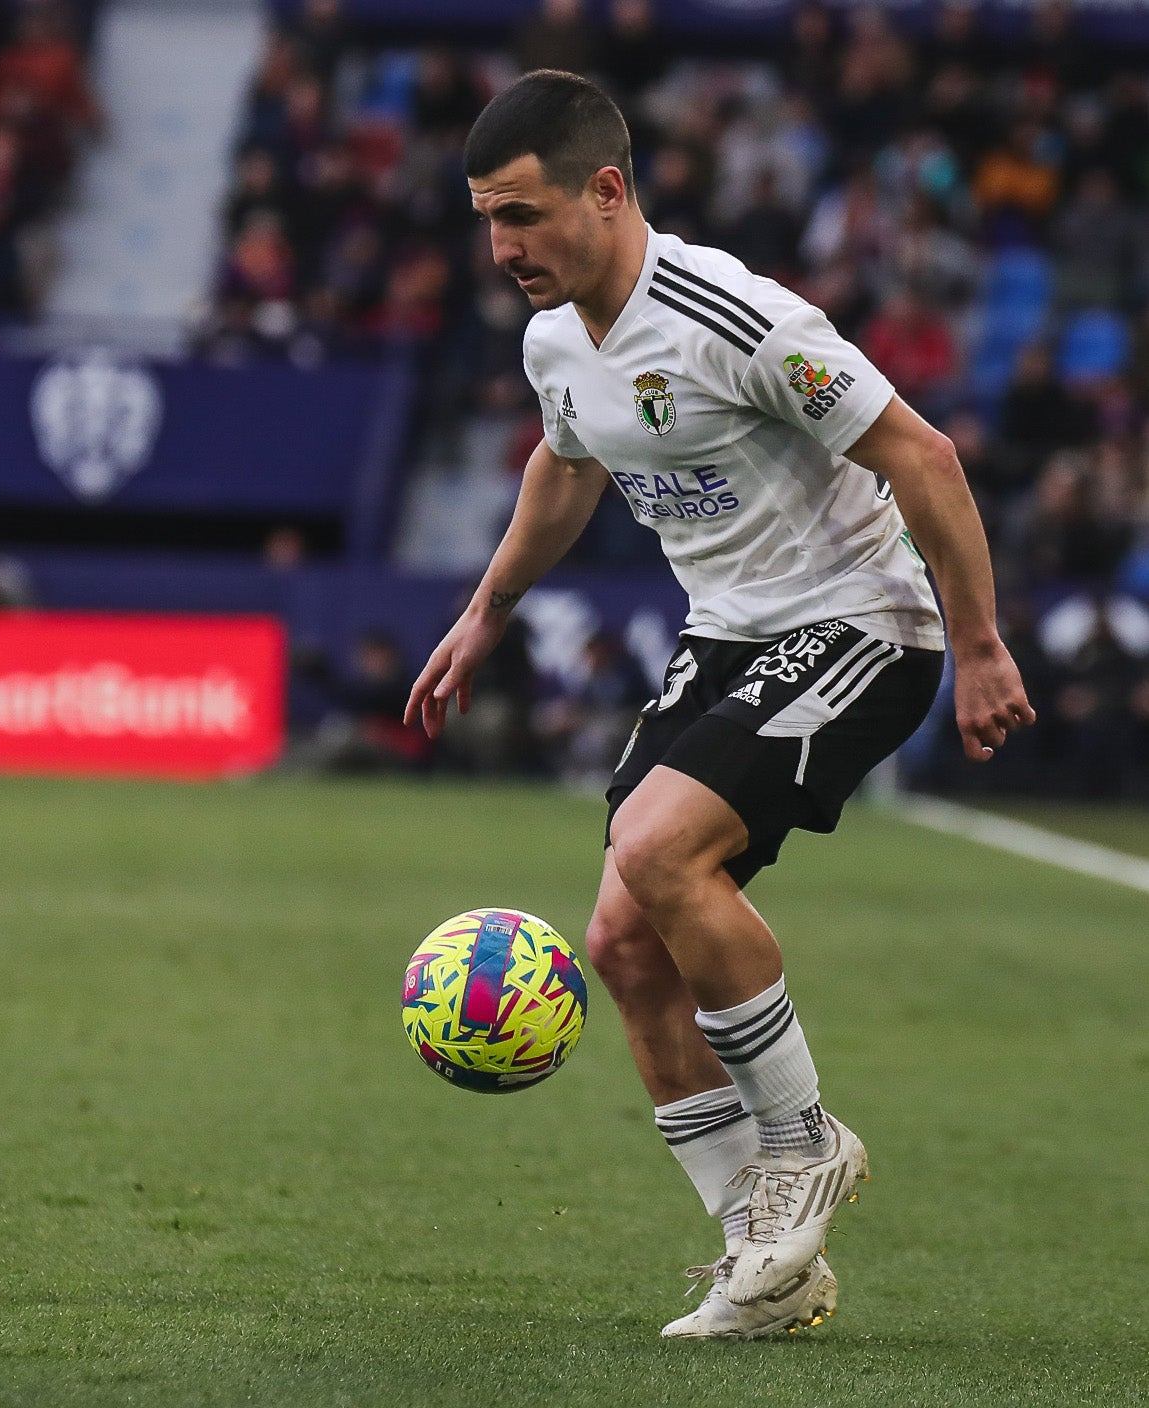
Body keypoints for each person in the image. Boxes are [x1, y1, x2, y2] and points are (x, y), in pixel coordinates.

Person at [404, 71, 1034, 1341]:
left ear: (607, 189)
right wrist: (486, 609)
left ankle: (805, 1145)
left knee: (654, 849)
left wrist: (975, 643)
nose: (501, 248)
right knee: (622, 940)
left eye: (520, 215)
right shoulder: (551, 341)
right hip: (730, 638)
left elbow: (921, 452)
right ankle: (764, 1257)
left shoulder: (732, 317)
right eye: (484, 219)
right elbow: (563, 461)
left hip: (859, 622)